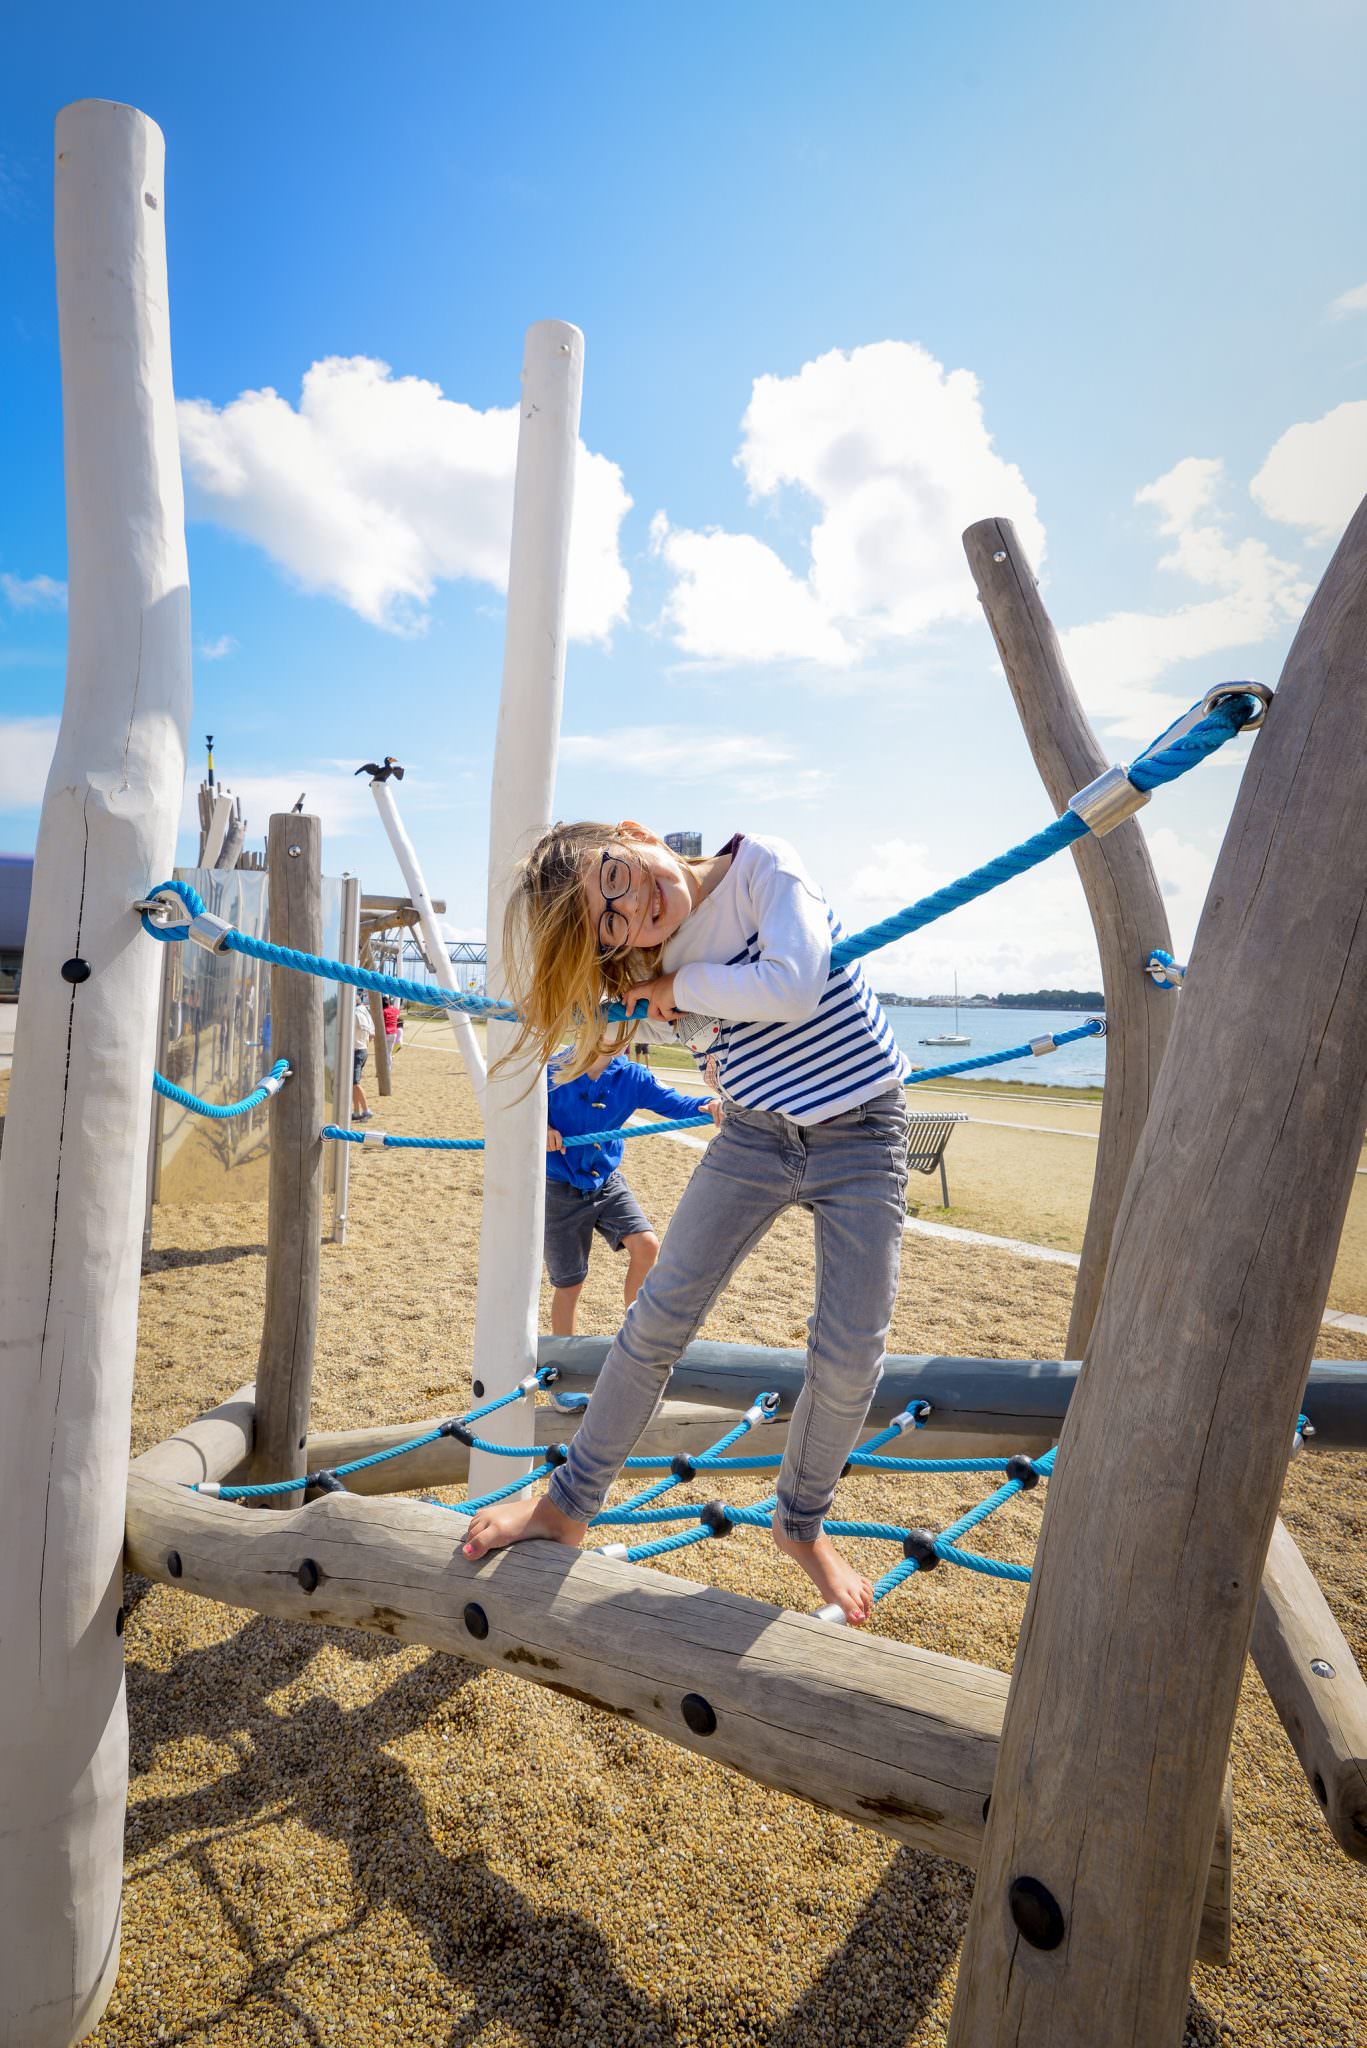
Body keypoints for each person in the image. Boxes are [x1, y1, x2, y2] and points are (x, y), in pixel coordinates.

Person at [463, 821, 911, 1625]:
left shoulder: (762, 865)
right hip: (750, 1137)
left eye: (618, 879)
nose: (637, 911)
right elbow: (673, 1028)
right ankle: (566, 1504)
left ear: (635, 835)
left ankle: (800, 1523)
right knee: (656, 1319)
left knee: (850, 1355)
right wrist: (659, 1000)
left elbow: (793, 983)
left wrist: (678, 988)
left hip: (862, 1131)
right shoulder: (643, 960)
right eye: (613, 926)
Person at [544, 1045, 721, 1336]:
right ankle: (564, 1355)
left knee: (646, 1244)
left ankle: (634, 1338)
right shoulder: (553, 1068)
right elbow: (520, 1107)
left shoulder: (633, 1075)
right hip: (558, 1188)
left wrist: (709, 1104)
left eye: (625, 1025)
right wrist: (544, 1126)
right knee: (569, 1283)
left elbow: (678, 1104)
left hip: (605, 1181)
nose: (614, 1034)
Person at [352, 996, 374, 1119]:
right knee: (353, 1083)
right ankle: (356, 1111)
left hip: (357, 1051)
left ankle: (366, 1110)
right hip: (363, 1049)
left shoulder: (354, 1014)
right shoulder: (365, 1012)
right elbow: (372, 1034)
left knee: (355, 1083)